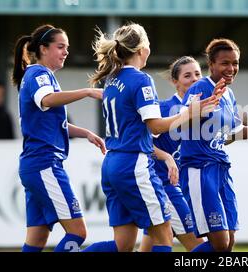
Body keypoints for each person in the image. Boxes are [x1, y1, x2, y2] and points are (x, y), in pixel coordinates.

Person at [82, 23, 223, 252]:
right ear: (142, 50)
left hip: (112, 163)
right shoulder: (141, 80)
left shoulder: (111, 79)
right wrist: (190, 113)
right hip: (133, 164)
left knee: (123, 245)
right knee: (163, 237)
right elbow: (155, 126)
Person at [180, 38, 248, 252]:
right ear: (211, 64)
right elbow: (184, 119)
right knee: (219, 243)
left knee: (229, 243)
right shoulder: (201, 87)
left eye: (235, 63)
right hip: (200, 170)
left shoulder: (228, 94)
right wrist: (203, 107)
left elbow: (235, 132)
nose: (231, 68)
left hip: (221, 169)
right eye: (225, 63)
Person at [12, 24, 105, 252]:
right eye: (60, 47)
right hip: (44, 164)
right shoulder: (38, 73)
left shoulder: (40, 75)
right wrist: (87, 91)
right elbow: (47, 100)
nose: (66, 52)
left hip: (34, 165)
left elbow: (52, 121)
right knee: (78, 232)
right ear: (43, 49)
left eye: (67, 47)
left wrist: (85, 133)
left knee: (37, 238)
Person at [137, 56, 205, 252]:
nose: (194, 79)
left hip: (176, 185)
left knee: (149, 248)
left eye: (198, 74)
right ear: (175, 82)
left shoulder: (200, 112)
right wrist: (166, 157)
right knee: (198, 247)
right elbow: (141, 143)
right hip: (161, 185)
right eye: (187, 75)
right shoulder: (164, 109)